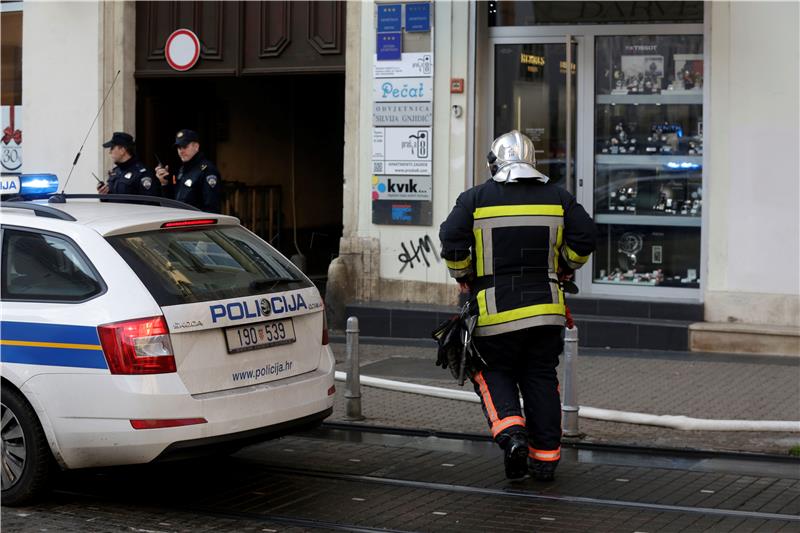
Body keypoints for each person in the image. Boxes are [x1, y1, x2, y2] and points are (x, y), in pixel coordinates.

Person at [439, 130, 597, 482]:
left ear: (495, 162)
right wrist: (566, 265)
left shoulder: (474, 199)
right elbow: (586, 236)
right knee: (540, 378)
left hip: (495, 313)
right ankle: (545, 460)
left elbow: (451, 238)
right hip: (546, 311)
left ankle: (512, 437)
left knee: (492, 372)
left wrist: (462, 274)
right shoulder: (559, 197)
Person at [155, 129, 222, 213]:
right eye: (179, 147)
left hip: (195, 224)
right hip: (179, 220)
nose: (181, 151)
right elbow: (172, 203)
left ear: (196, 146)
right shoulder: (181, 169)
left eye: (185, 146)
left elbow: (212, 209)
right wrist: (164, 183)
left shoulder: (207, 170)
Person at [98, 132, 161, 197]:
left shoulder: (142, 173)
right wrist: (104, 195)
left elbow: (148, 203)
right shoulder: (115, 172)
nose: (110, 152)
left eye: (112, 148)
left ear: (122, 150)